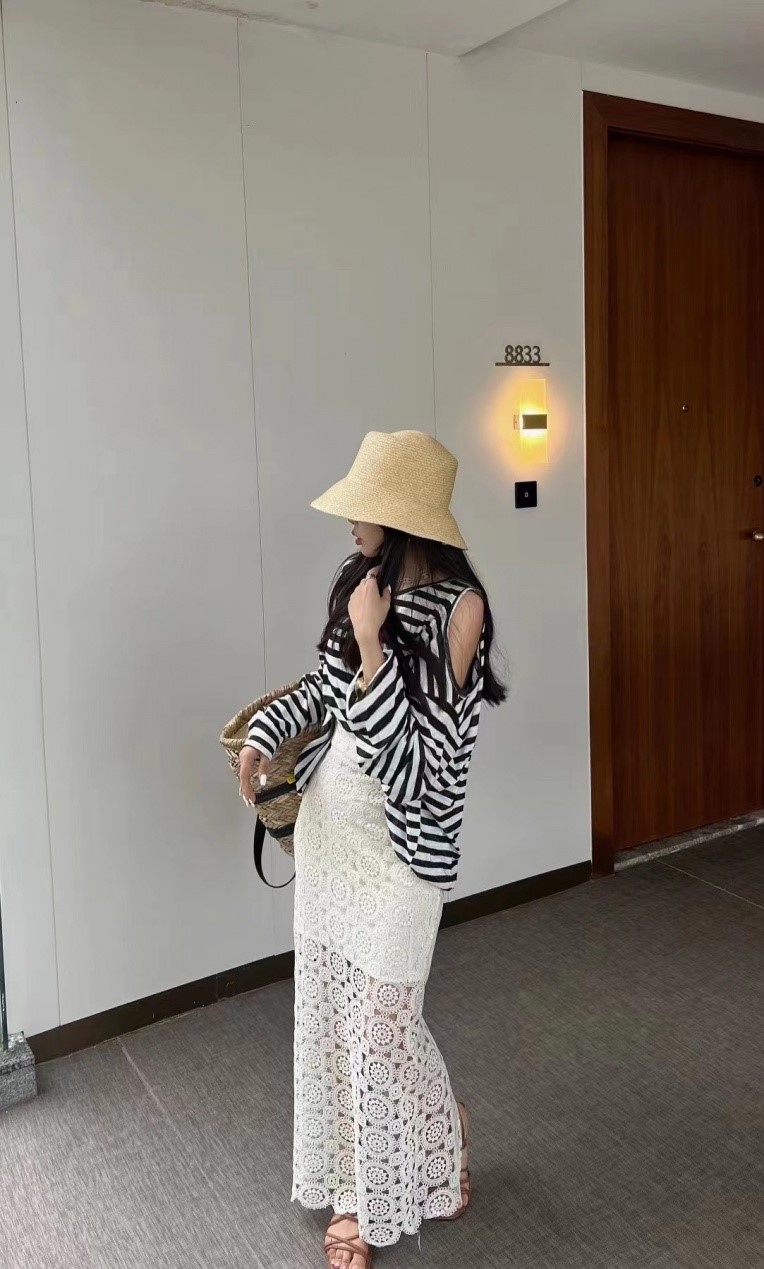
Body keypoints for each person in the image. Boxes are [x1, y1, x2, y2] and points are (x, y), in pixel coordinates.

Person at [238, 430, 507, 1268]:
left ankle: (409, 1152)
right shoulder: (363, 584)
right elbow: (322, 695)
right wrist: (263, 733)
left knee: (381, 1031)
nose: (350, 520)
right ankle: (378, 1175)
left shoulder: (460, 610)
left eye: (363, 505)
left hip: (401, 858)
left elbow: (419, 769)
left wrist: (372, 647)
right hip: (331, 842)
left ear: (402, 516)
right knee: (336, 1021)